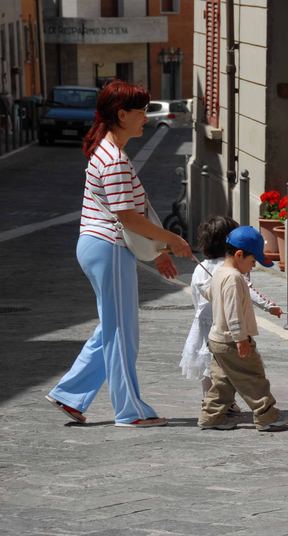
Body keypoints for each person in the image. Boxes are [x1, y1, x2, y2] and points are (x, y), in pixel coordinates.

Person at [45, 79, 192, 428]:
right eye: (140, 111)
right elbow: (127, 217)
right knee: (123, 332)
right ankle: (129, 411)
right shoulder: (113, 160)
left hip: (103, 247)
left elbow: (130, 214)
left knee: (112, 327)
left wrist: (158, 252)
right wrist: (173, 240)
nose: (146, 117)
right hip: (108, 248)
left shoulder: (110, 153)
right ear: (122, 114)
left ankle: (69, 394)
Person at [180, 216, 282, 412]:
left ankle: (209, 402)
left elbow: (198, 294)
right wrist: (269, 306)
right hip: (226, 328)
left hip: (203, 325)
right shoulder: (231, 270)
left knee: (210, 369)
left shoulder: (199, 269)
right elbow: (249, 291)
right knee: (233, 369)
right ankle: (236, 406)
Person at [197, 226, 288, 431]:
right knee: (253, 377)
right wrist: (241, 339)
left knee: (222, 382)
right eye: (252, 261)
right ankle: (267, 416)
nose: (253, 266)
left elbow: (210, 295)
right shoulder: (233, 278)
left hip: (218, 339)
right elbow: (233, 313)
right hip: (232, 340)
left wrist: (269, 307)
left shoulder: (219, 273)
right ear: (239, 255)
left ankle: (211, 417)